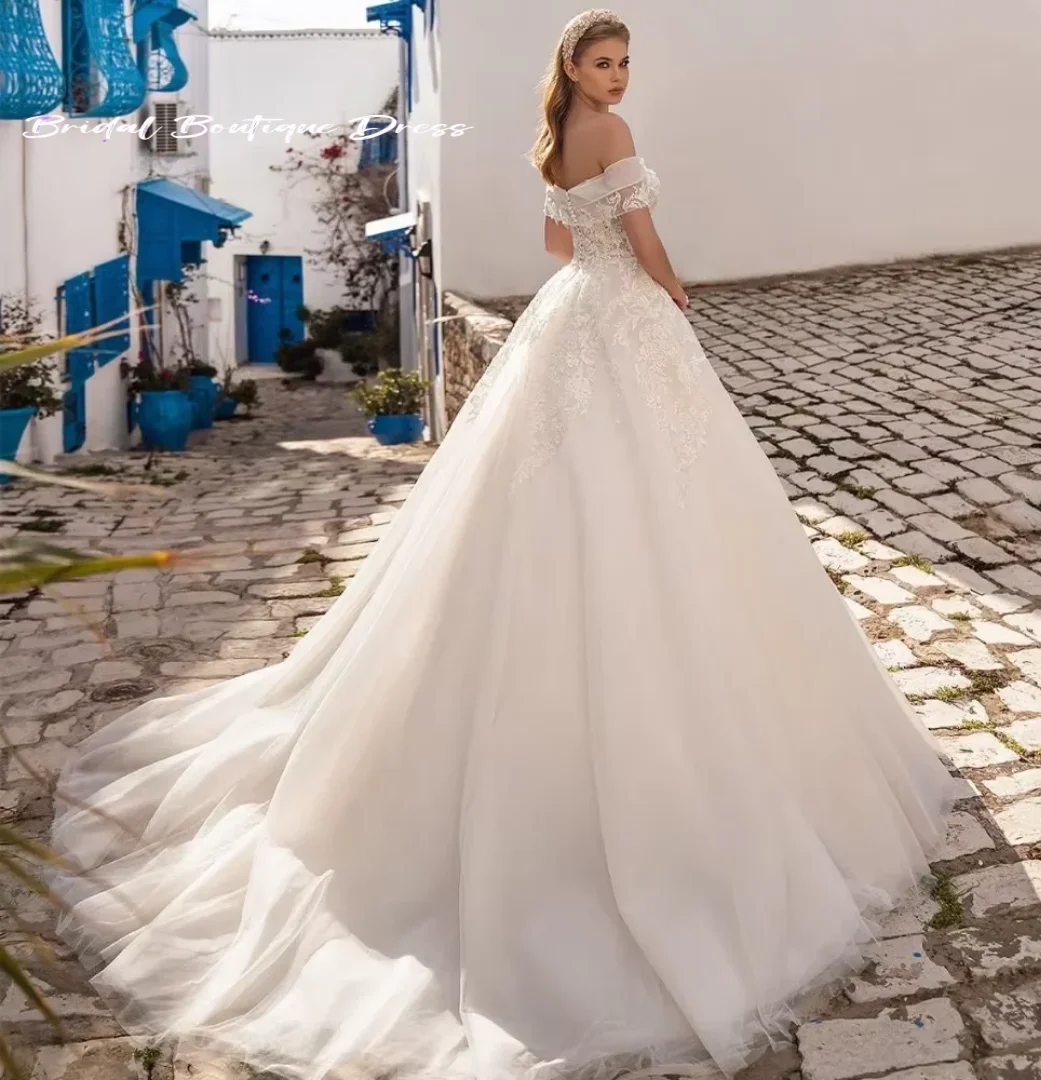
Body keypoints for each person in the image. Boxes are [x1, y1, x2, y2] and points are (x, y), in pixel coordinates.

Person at [51, 10, 957, 1080]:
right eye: (605, 61)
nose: (619, 77)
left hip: (570, 313)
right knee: (657, 491)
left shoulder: (553, 138)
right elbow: (645, 241)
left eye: (625, 63)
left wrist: (607, 267)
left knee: (560, 486)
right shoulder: (614, 138)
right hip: (622, 313)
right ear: (572, 63)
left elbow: (554, 245)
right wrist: (667, 285)